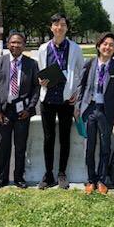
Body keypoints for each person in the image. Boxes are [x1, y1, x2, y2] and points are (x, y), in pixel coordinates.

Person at [37, 14, 84, 190]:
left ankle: (62, 173)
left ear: (66, 28)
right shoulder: (43, 49)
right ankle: (48, 173)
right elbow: (41, 71)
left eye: (63, 24)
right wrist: (41, 81)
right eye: (56, 24)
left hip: (66, 100)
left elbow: (81, 72)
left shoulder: (75, 48)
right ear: (51, 28)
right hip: (48, 99)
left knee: (65, 138)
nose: (59, 27)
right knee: (48, 138)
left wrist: (76, 94)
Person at [75, 32, 114, 195]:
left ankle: (102, 180)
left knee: (105, 147)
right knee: (89, 147)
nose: (107, 47)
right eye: (105, 44)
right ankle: (91, 180)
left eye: (111, 45)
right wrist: (78, 107)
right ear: (98, 46)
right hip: (89, 109)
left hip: (106, 111)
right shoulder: (89, 64)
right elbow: (81, 86)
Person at [0, 32, 40, 190]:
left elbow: (36, 88)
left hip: (22, 112)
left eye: (19, 43)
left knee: (20, 147)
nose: (15, 45)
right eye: (12, 42)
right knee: (3, 146)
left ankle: (19, 177)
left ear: (24, 45)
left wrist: (30, 108)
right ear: (7, 44)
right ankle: (2, 178)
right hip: (4, 111)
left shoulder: (31, 64)